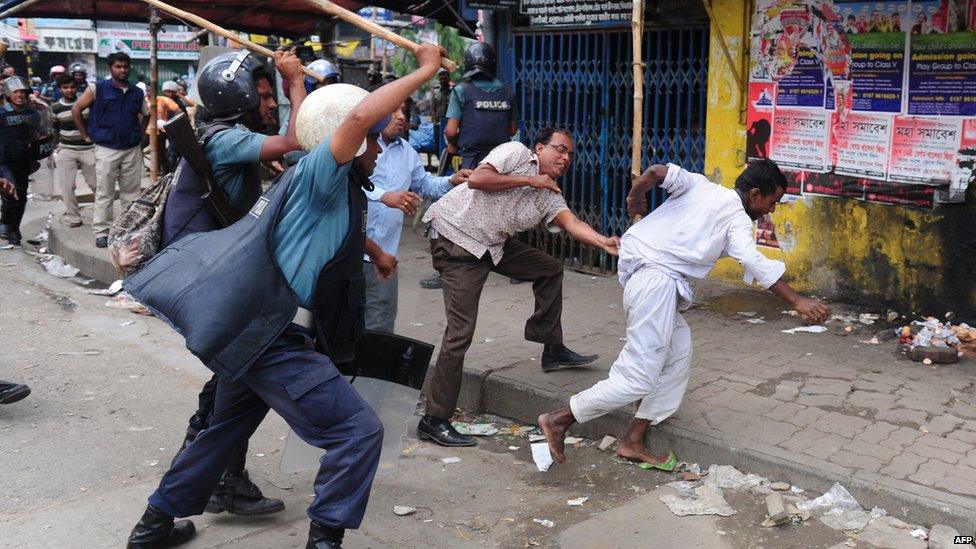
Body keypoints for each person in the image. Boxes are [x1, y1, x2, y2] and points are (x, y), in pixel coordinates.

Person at [122, 44, 444, 549]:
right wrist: (425, 68)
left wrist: (377, 252)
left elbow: (322, 132)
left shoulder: (321, 180)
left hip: (251, 327)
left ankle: (151, 528)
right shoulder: (319, 173)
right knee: (358, 433)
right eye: (373, 143)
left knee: (221, 431)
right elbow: (358, 115)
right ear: (350, 141)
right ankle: (324, 542)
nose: (379, 150)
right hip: (268, 333)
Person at [538, 160, 831, 466]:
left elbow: (655, 172)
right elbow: (753, 260)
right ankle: (560, 419)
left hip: (650, 280)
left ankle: (634, 439)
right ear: (755, 195)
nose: (770, 211)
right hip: (656, 284)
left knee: (678, 355)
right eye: (772, 203)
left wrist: (636, 195)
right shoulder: (737, 218)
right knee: (638, 377)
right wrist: (796, 300)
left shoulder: (700, 185)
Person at [158, 48, 310, 519]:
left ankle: (215, 482)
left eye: (272, 96)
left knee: (231, 381)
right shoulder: (225, 139)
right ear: (239, 99)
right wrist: (293, 83)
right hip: (212, 284)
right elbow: (297, 139)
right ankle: (182, 497)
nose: (270, 105)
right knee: (233, 385)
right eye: (263, 97)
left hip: (216, 278)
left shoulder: (222, 136)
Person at [417, 128, 619, 447]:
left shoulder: (550, 194)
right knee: (460, 334)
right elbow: (478, 180)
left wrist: (603, 241)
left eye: (570, 155)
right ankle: (434, 420)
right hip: (456, 241)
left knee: (550, 269)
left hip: (492, 245)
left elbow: (571, 222)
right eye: (560, 149)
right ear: (539, 148)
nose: (566, 158)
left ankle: (551, 346)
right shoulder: (514, 153)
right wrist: (530, 180)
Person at [363, 100, 472, 333]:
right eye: (393, 110)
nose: (401, 116)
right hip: (351, 253)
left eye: (404, 111)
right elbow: (348, 184)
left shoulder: (408, 152)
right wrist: (384, 196)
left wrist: (451, 180)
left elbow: (423, 184)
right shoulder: (358, 147)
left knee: (379, 328)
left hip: (383, 256)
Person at [72, 52, 148, 248]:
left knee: (131, 193)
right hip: (106, 148)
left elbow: (146, 114)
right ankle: (101, 231)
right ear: (110, 68)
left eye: (125, 66)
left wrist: (140, 135)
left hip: (131, 148)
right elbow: (76, 109)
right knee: (105, 192)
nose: (123, 70)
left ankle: (127, 230)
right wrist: (85, 134)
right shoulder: (98, 88)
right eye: (118, 67)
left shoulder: (137, 92)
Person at [444, 42, 518, 170]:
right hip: (501, 161)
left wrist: (453, 145)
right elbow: (512, 130)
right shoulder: (508, 91)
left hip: (471, 161)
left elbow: (450, 131)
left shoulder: (461, 90)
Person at [0, 77, 44, 246]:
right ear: (8, 94)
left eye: (22, 92)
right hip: (4, 161)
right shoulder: (2, 114)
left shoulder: (32, 113)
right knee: (11, 193)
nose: (19, 95)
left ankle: (14, 229)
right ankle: (5, 224)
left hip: (24, 161)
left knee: (22, 197)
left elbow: (41, 132)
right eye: (15, 92)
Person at [51, 74, 96, 228]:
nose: (69, 90)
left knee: (96, 184)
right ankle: (74, 218)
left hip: (89, 148)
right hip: (66, 149)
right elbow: (55, 129)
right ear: (60, 89)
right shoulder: (55, 108)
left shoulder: (86, 102)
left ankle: (101, 215)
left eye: (72, 87)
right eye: (65, 87)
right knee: (67, 186)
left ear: (77, 87)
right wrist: (55, 149)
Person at [147, 80, 184, 176]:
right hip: (150, 130)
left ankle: (168, 171)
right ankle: (160, 169)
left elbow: (180, 112)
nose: (168, 94)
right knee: (159, 152)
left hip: (168, 129)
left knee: (170, 151)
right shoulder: (146, 101)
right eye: (166, 91)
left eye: (170, 91)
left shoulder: (167, 101)